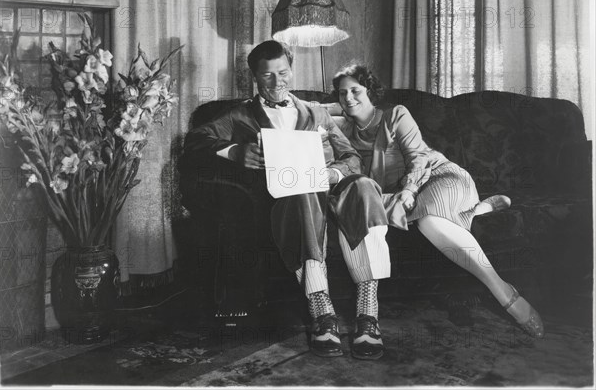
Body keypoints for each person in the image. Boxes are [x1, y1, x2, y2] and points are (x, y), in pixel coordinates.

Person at [183, 41, 392, 359]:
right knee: (302, 193)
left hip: (331, 188)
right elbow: (197, 139)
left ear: (291, 70)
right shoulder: (241, 115)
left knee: (363, 187)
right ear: (255, 77)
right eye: (267, 76)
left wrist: (331, 174)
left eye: (283, 72)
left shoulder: (317, 111)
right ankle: (322, 313)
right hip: (289, 197)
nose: (277, 81)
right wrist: (236, 152)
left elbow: (350, 157)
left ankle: (368, 312)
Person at [331, 63, 544, 339]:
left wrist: (409, 189)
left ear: (370, 91)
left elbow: (418, 158)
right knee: (363, 206)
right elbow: (316, 117)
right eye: (341, 93)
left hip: (435, 177)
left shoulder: (396, 114)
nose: (348, 98)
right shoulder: (345, 134)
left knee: (430, 219)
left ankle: (503, 291)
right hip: (400, 196)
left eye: (355, 91)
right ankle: (479, 209)